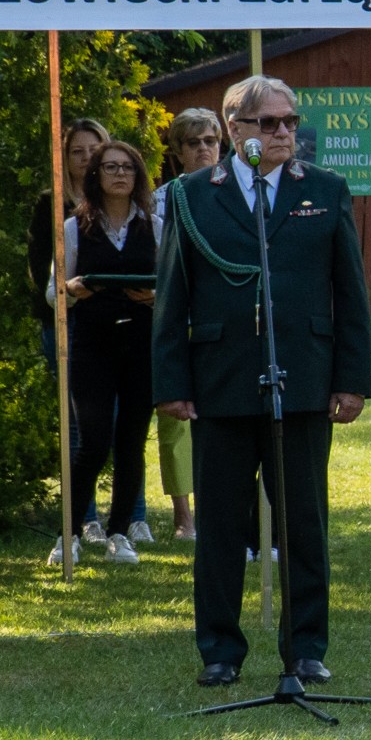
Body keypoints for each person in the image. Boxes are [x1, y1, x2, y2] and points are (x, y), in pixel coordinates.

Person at [154, 75, 371, 689]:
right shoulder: (192, 196)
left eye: (290, 122)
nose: (283, 133)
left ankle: (305, 649)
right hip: (220, 380)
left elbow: (350, 292)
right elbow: (173, 295)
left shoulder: (323, 190)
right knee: (221, 526)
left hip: (302, 377)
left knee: (304, 523)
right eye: (269, 123)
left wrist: (352, 380)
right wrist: (171, 382)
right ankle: (220, 651)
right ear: (235, 130)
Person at [47, 141, 160, 566]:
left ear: (138, 176)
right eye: (111, 167)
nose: (120, 174)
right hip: (92, 345)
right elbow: (53, 291)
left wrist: (154, 296)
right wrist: (73, 289)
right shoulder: (74, 228)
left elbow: (175, 286)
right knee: (92, 441)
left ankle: (119, 533)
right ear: (95, 175)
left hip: (141, 344)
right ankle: (70, 534)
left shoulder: (156, 226)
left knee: (132, 441)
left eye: (128, 168)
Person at [151, 108, 224, 540]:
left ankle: (226, 511)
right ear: (178, 152)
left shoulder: (239, 193)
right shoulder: (161, 201)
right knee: (175, 422)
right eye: (193, 143)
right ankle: (184, 516)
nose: (203, 150)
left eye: (210, 141)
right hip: (179, 321)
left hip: (224, 322)